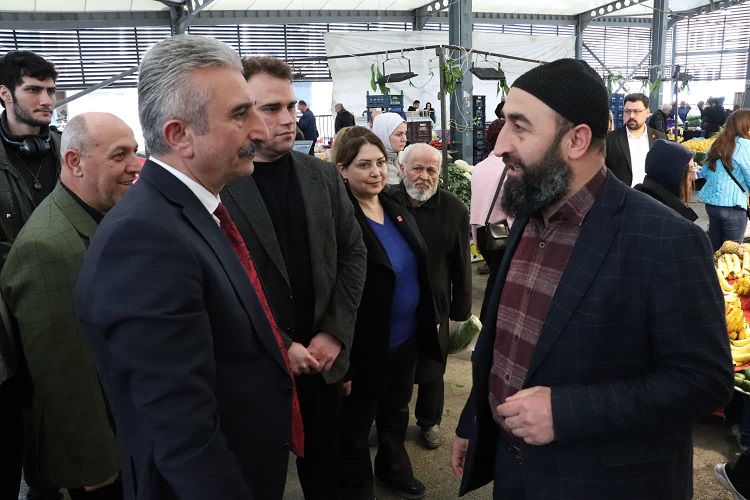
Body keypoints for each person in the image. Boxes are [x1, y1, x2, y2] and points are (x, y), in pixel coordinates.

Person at [450, 58, 733, 499]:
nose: (501, 144)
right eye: (504, 123)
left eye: (519, 127)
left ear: (577, 140)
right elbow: (505, 339)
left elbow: (704, 380)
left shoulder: (666, 239)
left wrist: (567, 413)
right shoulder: (530, 216)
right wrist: (475, 421)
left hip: (603, 483)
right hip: (515, 472)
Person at [75, 35, 295, 500]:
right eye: (241, 114)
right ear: (179, 136)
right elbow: (183, 431)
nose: (261, 130)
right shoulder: (145, 241)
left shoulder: (189, 211)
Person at [221, 56, 366, 500]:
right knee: (256, 478)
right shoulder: (220, 185)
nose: (288, 119)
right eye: (271, 108)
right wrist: (281, 344)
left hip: (322, 362)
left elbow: (353, 254)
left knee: (325, 476)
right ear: (240, 112)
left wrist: (334, 333)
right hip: (258, 366)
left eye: (290, 106)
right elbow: (224, 285)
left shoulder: (321, 176)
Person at [1, 112, 141, 500]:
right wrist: (95, 465)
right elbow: (64, 374)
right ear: (75, 162)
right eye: (119, 155)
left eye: (134, 151)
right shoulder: (47, 247)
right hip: (104, 458)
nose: (135, 164)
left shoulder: (98, 215)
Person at [333, 126, 440, 500]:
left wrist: (428, 316)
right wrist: (343, 361)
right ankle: (357, 488)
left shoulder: (394, 207)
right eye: (364, 165)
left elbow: (417, 268)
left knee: (396, 410)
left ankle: (393, 469)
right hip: (365, 346)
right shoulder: (339, 220)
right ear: (343, 170)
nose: (376, 172)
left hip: (404, 338)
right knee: (356, 424)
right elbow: (332, 294)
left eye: (380, 162)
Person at [0, 49, 63, 500]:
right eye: (33, 90)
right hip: (9, 321)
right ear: (5, 94)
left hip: (69, 308)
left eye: (51, 90)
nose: (47, 100)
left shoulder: (69, 149)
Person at [391, 143, 472, 450]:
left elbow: (462, 264)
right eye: (417, 168)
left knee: (432, 366)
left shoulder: (453, 209)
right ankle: (388, 420)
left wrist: (460, 310)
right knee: (391, 366)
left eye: (431, 170)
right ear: (402, 169)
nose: (424, 176)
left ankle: (429, 420)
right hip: (394, 304)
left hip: (435, 304)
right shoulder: (386, 202)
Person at [698, 109, 750, 250]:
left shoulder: (717, 143)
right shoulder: (746, 145)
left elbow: (705, 171)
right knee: (732, 252)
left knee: (715, 248)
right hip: (733, 206)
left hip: (712, 204)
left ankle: (711, 265)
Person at [605, 92, 667, 186]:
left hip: (651, 194)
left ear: (647, 112)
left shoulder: (660, 139)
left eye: (636, 111)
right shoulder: (610, 140)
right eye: (627, 111)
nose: (631, 116)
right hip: (623, 193)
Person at [633, 139, 698, 221]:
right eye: (690, 170)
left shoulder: (640, 200)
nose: (695, 177)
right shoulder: (665, 216)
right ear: (672, 172)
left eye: (694, 168)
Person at [372, 112, 407, 184]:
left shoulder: (397, 159)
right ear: (384, 134)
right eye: (398, 134)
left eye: (405, 133)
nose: (404, 139)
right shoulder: (375, 166)